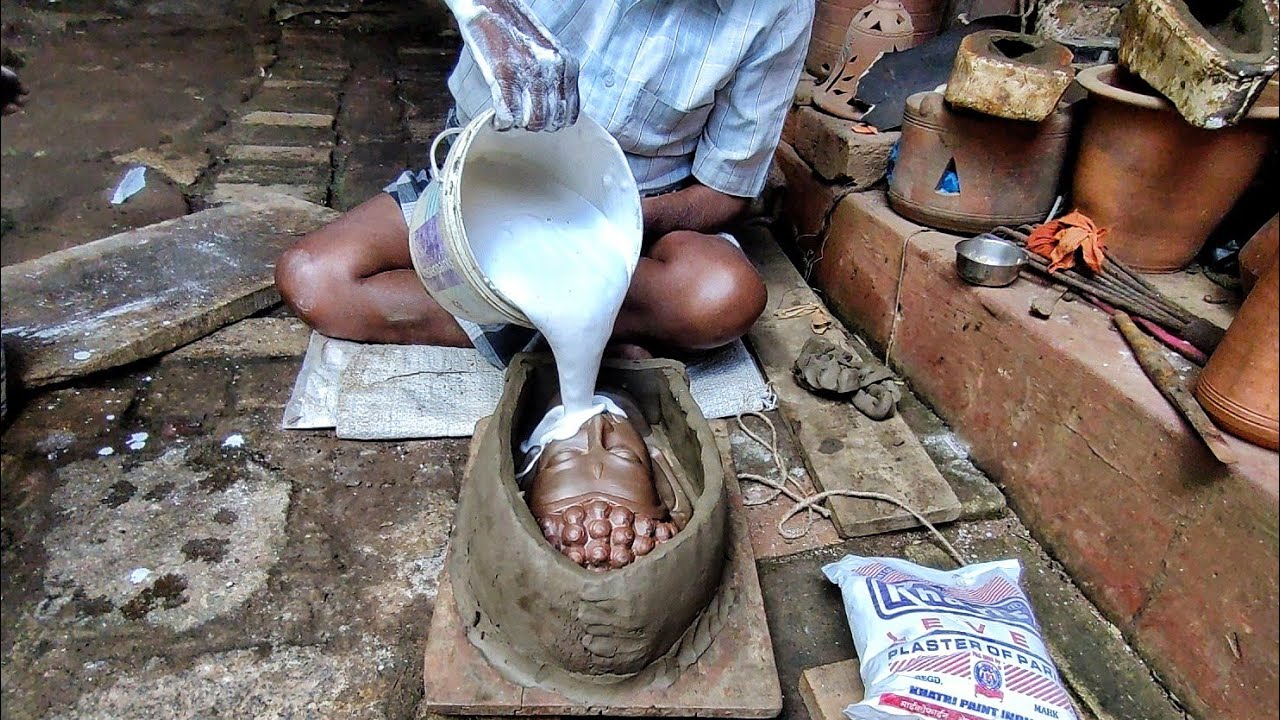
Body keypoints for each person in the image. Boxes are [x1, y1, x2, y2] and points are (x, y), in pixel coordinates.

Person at [275, 0, 813, 366]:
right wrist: (486, 10)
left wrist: (613, 220)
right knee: (316, 279)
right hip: (477, 184)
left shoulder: (779, 9)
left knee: (724, 298)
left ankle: (555, 320)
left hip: (632, 221)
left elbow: (727, 194)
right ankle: (592, 332)